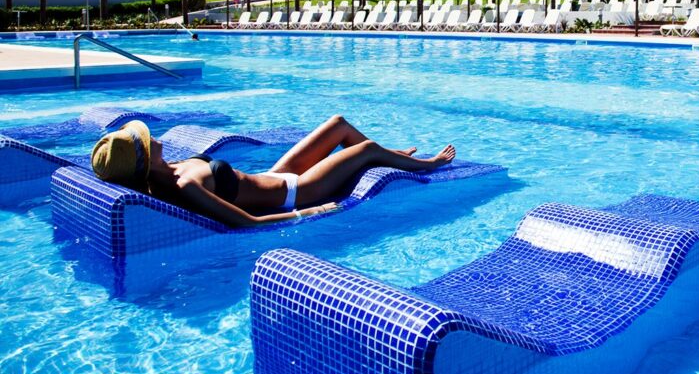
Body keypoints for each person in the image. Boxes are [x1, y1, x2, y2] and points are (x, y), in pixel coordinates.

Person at [91, 115, 456, 227]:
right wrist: (311, 210)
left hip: (274, 175)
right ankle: (428, 163)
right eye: (146, 140)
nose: (154, 139)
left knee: (338, 125)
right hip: (298, 191)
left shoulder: (165, 171)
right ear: (143, 159)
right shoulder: (183, 183)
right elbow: (248, 222)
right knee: (366, 150)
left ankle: (395, 154)